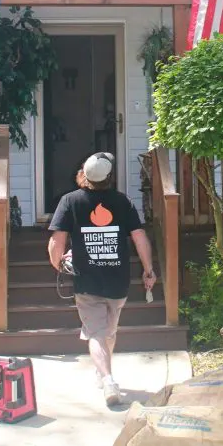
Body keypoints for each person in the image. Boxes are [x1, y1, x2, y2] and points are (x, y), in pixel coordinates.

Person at [47, 152, 157, 408]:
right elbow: (139, 236)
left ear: (84, 175)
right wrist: (148, 269)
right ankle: (105, 374)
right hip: (118, 279)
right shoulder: (122, 202)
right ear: (110, 177)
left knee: (99, 332)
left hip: (86, 280)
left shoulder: (70, 201)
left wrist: (59, 265)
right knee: (106, 331)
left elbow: (56, 241)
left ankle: (106, 378)